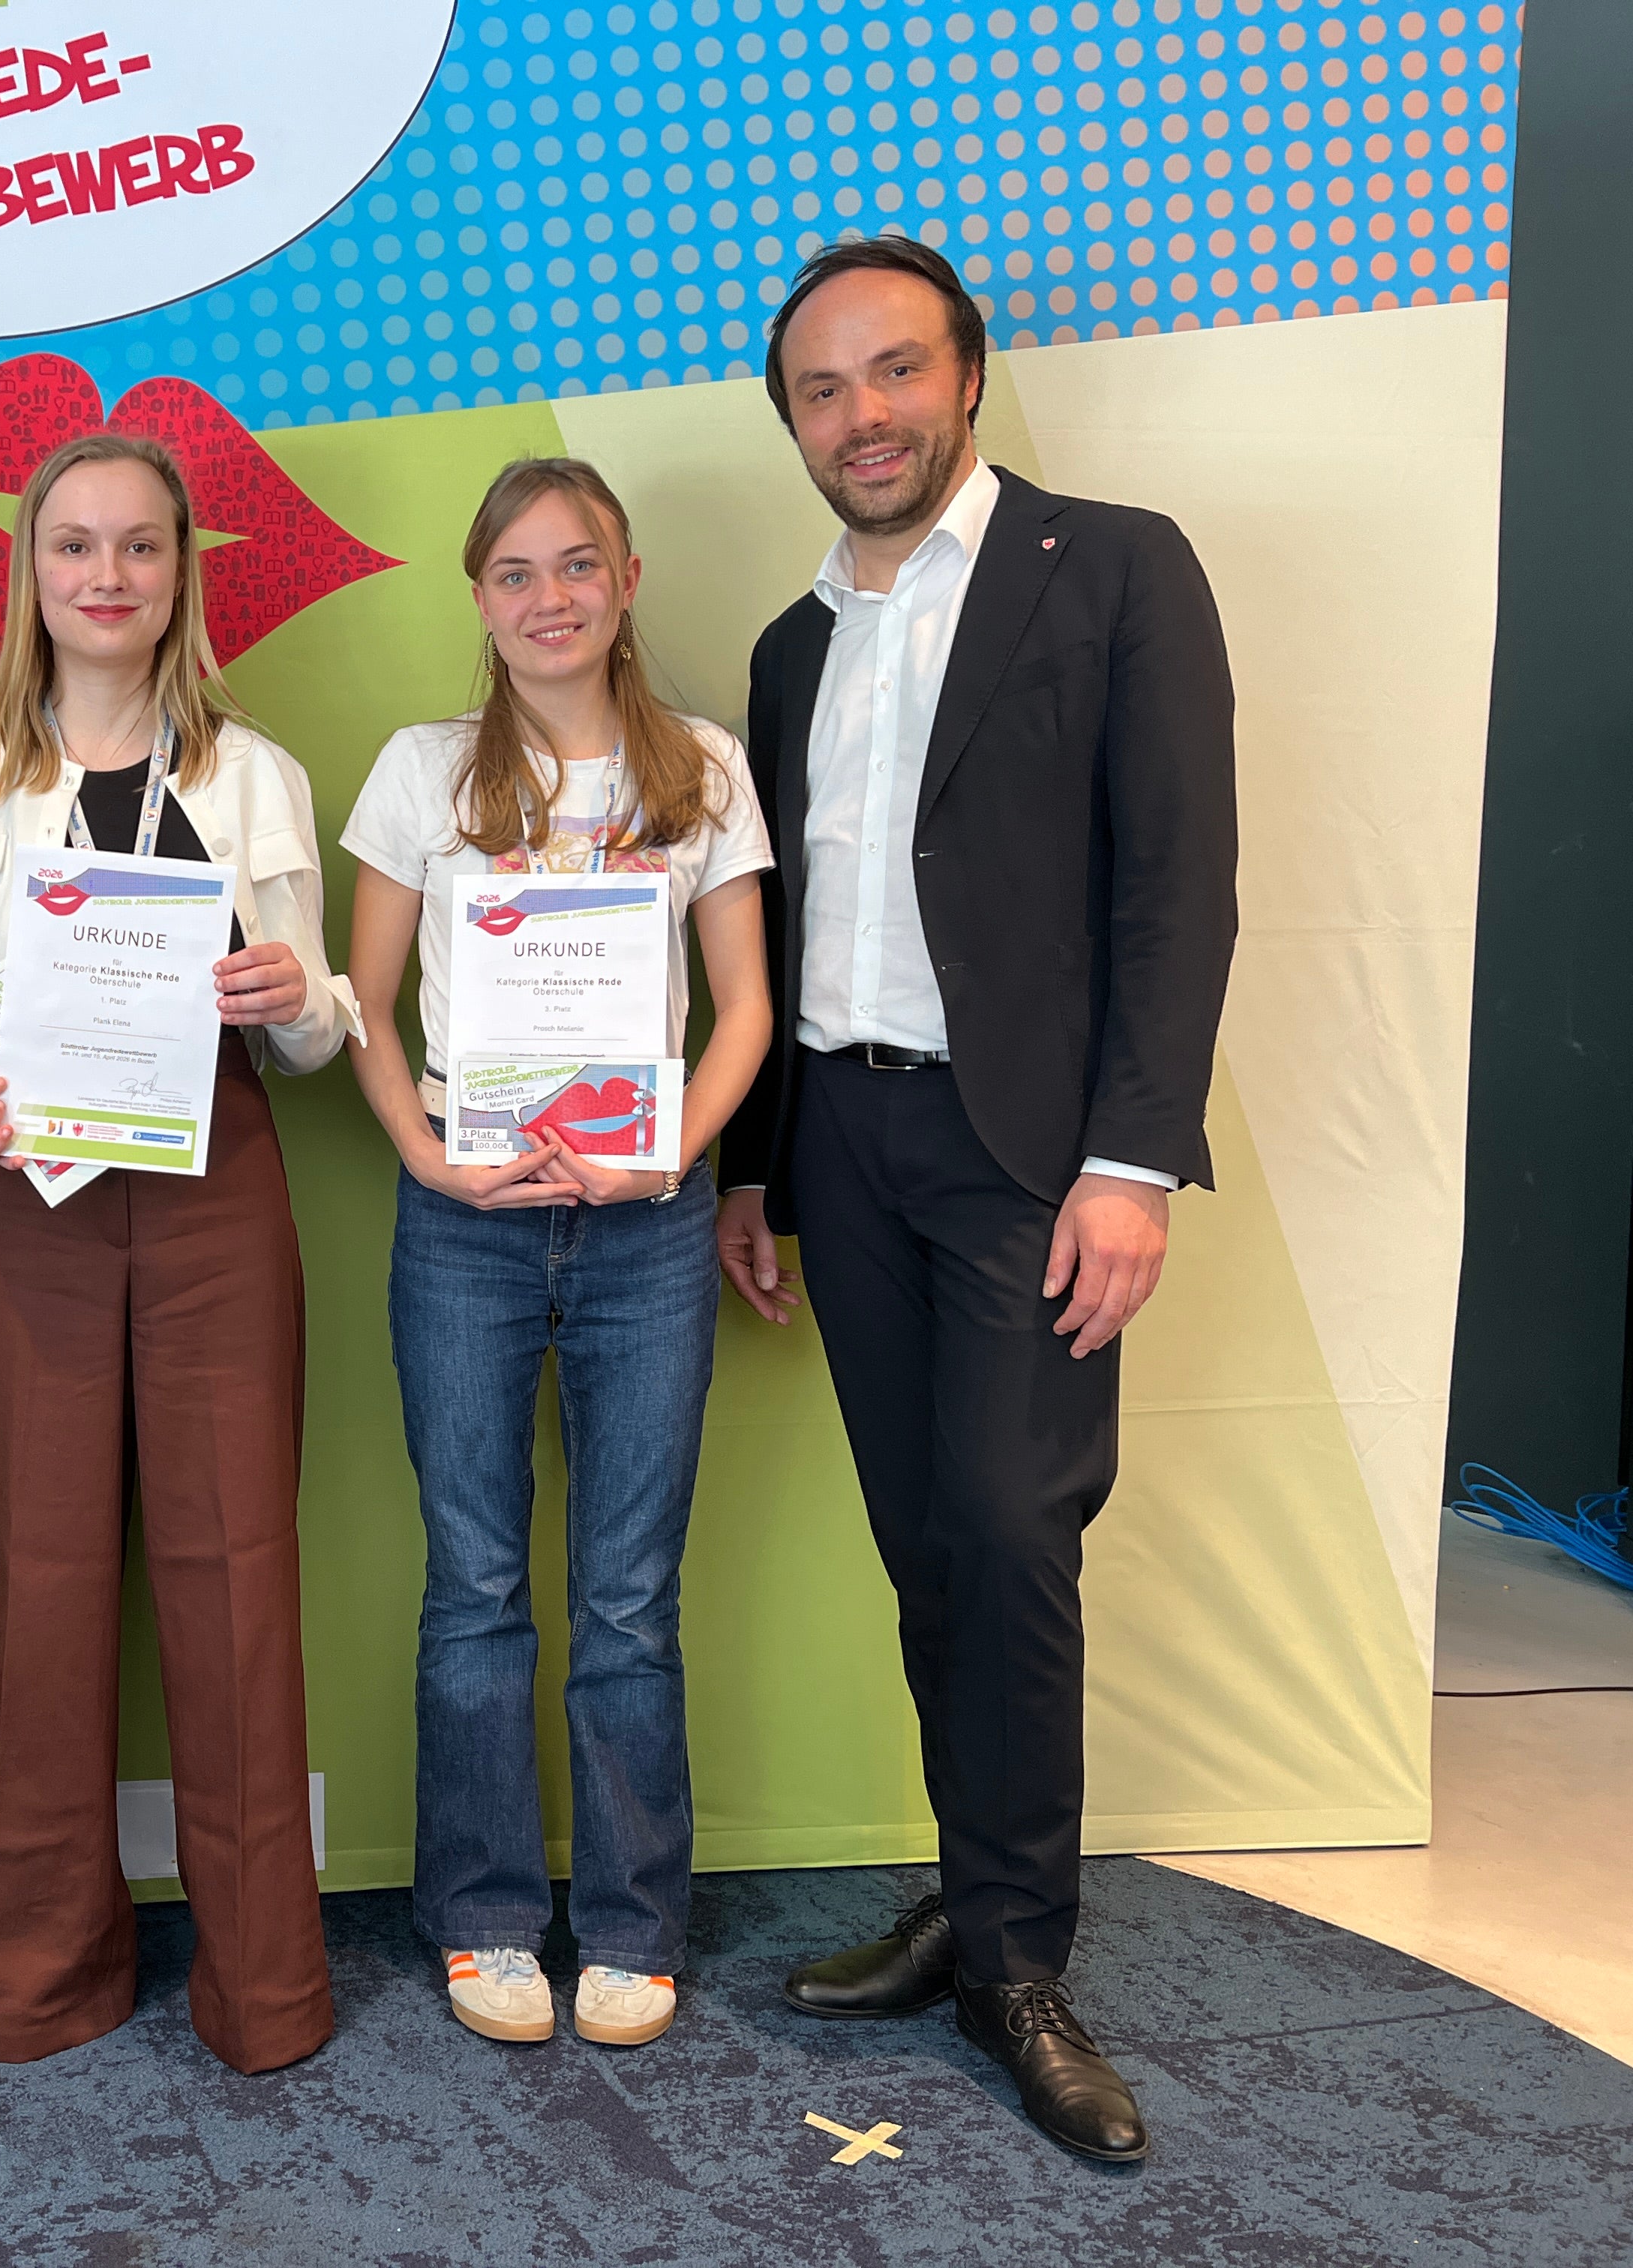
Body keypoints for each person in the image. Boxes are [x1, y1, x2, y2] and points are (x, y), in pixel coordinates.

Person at [718, 236, 1236, 2163]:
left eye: (895, 372)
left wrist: (1132, 1161)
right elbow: (773, 932)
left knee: (1016, 1537)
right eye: (823, 389)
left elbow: (1178, 885)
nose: (863, 415)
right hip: (843, 1146)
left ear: (968, 374)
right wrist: (757, 1167)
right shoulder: (789, 649)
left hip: (1029, 1153)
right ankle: (974, 1891)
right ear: (793, 421)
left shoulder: (1115, 571)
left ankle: (1020, 1965)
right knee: (929, 1541)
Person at [0, 432, 350, 2074]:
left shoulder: (257, 776)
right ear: (30, 571)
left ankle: (266, 1985)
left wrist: (298, 997)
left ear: (180, 574)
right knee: (50, 1584)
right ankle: (47, 1974)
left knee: (240, 1586)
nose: (107, 575)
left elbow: (320, 1029)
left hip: (221, 1189)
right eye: (73, 544)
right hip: (31, 1206)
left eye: (140, 546)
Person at [340, 458, 774, 2054]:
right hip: (468, 1225)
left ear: (627, 580)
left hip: (649, 1233)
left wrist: (677, 1154)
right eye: (515, 572)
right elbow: (365, 1003)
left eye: (578, 564)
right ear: (480, 597)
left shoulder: (702, 770)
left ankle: (636, 1926)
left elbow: (748, 1011)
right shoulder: (423, 771)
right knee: (474, 1582)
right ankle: (485, 1918)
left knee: (630, 1593)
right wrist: (424, 1156)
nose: (549, 598)